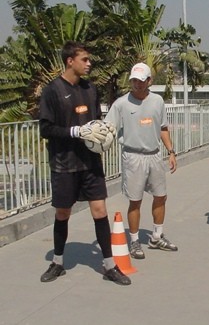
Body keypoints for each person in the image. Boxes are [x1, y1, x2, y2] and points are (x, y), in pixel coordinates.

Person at [39, 41, 131, 285]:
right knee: (63, 212)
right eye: (85, 60)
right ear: (70, 61)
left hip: (90, 163)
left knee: (100, 211)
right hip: (64, 163)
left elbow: (95, 124)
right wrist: (75, 132)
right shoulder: (52, 91)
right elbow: (46, 129)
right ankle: (58, 262)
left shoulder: (90, 89)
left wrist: (103, 136)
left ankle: (110, 265)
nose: (89, 64)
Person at [105, 62, 178, 260]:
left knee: (161, 196)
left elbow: (163, 128)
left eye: (141, 80)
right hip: (133, 156)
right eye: (134, 81)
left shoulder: (157, 101)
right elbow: (108, 130)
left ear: (149, 81)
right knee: (135, 201)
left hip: (154, 155)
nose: (137, 84)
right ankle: (135, 240)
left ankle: (156, 236)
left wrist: (171, 151)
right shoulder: (120, 104)